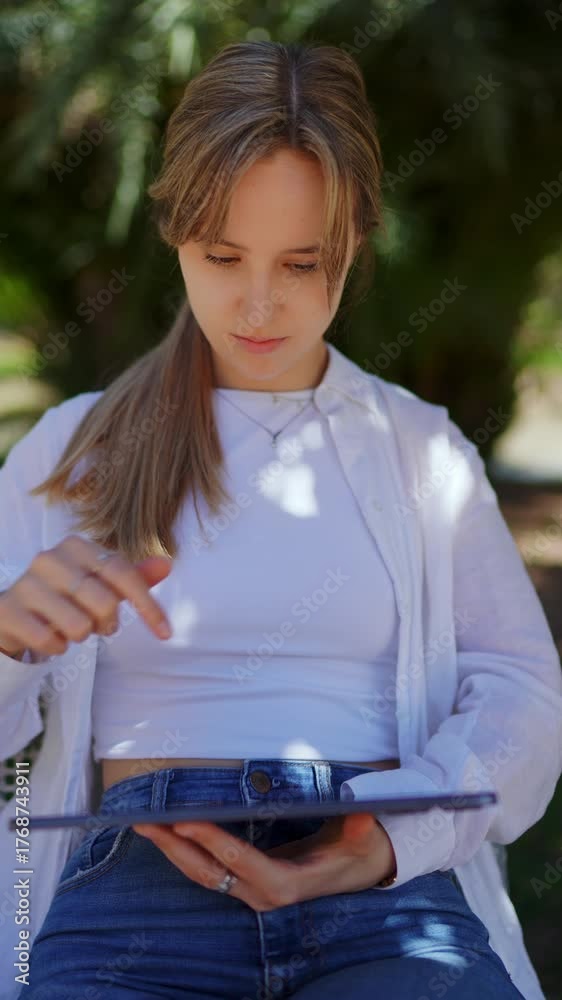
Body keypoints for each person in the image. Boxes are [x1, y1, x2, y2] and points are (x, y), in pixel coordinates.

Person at [0, 39, 561, 1000]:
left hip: (377, 894)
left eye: (303, 263)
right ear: (175, 233)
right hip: (135, 897)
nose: (259, 304)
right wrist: (9, 638)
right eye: (223, 256)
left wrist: (391, 840)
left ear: (355, 247)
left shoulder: (420, 451)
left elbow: (521, 690)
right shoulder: (73, 451)